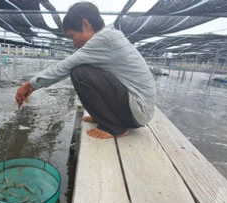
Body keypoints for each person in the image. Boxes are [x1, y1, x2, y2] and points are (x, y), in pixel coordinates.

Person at [15, 2, 156, 139]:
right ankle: (103, 116)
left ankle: (115, 127)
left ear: (86, 25)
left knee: (79, 72)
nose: (74, 43)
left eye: (72, 36)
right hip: (140, 110)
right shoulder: (109, 36)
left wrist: (29, 85)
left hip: (137, 111)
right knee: (84, 68)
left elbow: (65, 66)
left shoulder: (103, 39)